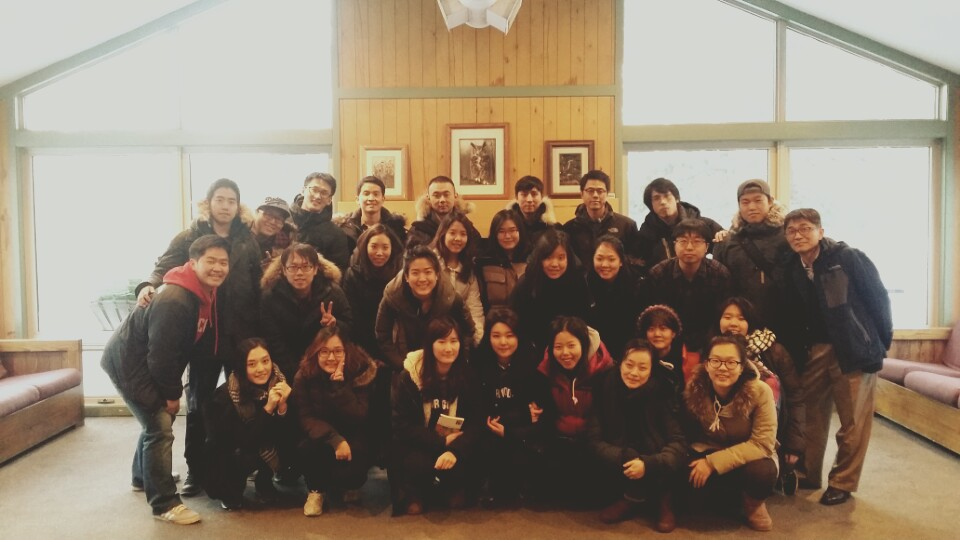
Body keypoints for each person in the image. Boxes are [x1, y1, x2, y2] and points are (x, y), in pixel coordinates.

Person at [134, 178, 262, 498]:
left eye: (231, 200)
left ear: (238, 206)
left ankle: (240, 465)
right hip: (202, 336)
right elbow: (163, 266)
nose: (225, 206)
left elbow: (257, 283)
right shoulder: (190, 236)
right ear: (209, 202)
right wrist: (148, 285)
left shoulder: (247, 239)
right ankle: (196, 468)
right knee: (198, 405)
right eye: (220, 199)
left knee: (243, 401)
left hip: (239, 336)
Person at [101, 234, 230, 525]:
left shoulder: (202, 292)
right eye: (211, 261)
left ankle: (142, 477)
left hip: (142, 362)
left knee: (154, 422)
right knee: (159, 425)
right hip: (130, 365)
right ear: (193, 263)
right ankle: (164, 504)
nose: (218, 268)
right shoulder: (176, 299)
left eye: (223, 262)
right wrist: (172, 395)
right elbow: (161, 356)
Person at [780, 208, 892, 506]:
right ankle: (807, 473)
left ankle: (842, 481)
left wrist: (879, 344)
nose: (798, 235)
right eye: (791, 231)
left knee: (853, 421)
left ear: (821, 231)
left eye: (805, 228)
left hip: (853, 349)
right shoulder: (792, 266)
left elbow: (879, 299)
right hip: (815, 349)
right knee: (810, 415)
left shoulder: (847, 258)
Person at [588, 339, 687, 531]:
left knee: (669, 457)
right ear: (620, 364)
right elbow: (593, 439)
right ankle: (633, 497)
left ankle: (664, 499)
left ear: (652, 370)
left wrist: (648, 464)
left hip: (656, 459)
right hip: (623, 456)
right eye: (629, 365)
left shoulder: (663, 392)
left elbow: (679, 443)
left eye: (642, 368)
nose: (634, 373)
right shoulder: (605, 386)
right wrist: (622, 456)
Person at [683, 335, 778, 532]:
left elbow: (762, 444)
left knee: (762, 473)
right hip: (709, 447)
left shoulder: (760, 391)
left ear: (742, 367)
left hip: (750, 456)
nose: (722, 368)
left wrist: (712, 462)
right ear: (706, 364)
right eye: (716, 361)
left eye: (731, 362)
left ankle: (753, 505)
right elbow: (689, 433)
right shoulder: (695, 388)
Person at [390, 317, 482, 515]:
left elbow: (476, 423)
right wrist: (441, 441)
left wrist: (454, 450)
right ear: (429, 344)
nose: (448, 348)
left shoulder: (468, 375)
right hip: (419, 445)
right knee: (417, 465)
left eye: (454, 341)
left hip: (454, 445)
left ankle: (450, 489)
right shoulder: (410, 376)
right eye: (441, 341)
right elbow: (401, 425)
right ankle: (416, 494)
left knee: (463, 469)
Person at [714, 296, 805, 495]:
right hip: (726, 433)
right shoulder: (712, 350)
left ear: (751, 322)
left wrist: (794, 444)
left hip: (770, 433)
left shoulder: (774, 352)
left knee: (761, 473)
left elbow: (795, 398)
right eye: (727, 317)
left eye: (741, 318)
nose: (733, 323)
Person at [294, 326, 387, 516]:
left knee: (354, 472)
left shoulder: (360, 371)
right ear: (315, 353)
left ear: (346, 351)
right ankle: (316, 491)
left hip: (353, 433)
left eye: (337, 351)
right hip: (321, 436)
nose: (331, 357)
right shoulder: (304, 376)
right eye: (324, 351)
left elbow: (360, 415)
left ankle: (348, 486)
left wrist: (339, 389)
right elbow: (306, 418)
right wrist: (335, 439)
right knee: (305, 448)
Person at [472, 307, 550, 508]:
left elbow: (540, 417)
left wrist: (510, 428)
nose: (503, 342)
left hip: (520, 435)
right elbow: (481, 411)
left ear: (519, 336)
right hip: (489, 432)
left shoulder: (532, 364)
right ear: (488, 337)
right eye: (496, 335)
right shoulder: (478, 363)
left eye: (510, 335)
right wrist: (522, 413)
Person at [202, 338, 291, 511]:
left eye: (265, 361)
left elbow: (285, 434)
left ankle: (264, 483)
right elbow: (244, 442)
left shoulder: (279, 384)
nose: (261, 369)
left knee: (291, 442)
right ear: (242, 367)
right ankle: (229, 493)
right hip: (230, 452)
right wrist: (268, 409)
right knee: (240, 457)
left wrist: (283, 407)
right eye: (252, 364)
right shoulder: (225, 397)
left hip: (260, 445)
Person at [534, 316, 613, 508]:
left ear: (583, 344)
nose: (565, 353)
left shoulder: (604, 371)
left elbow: (605, 417)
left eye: (571, 345)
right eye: (558, 347)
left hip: (593, 440)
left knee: (592, 497)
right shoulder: (546, 370)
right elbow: (546, 411)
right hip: (559, 438)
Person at [260, 243, 353, 380]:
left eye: (305, 267)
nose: (299, 273)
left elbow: (349, 326)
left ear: (315, 269)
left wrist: (334, 324)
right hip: (287, 368)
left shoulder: (333, 292)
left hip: (325, 364)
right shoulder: (271, 297)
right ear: (284, 270)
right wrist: (296, 375)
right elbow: (274, 341)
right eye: (293, 267)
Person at [375, 245, 476, 371]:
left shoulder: (451, 298)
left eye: (428, 272)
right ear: (406, 276)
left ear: (437, 274)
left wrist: (454, 361)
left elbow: (469, 331)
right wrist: (403, 365)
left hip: (444, 366)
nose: (422, 279)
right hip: (407, 364)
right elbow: (382, 335)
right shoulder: (393, 296)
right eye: (415, 273)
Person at [712, 180, 792, 332]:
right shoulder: (727, 242)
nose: (752, 207)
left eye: (758, 200)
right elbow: (721, 290)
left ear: (770, 201)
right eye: (745, 202)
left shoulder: (789, 236)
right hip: (742, 324)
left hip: (785, 320)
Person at [646, 218, 731, 354]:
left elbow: (720, 316)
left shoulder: (720, 274)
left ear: (707, 247)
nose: (689, 247)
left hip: (710, 343)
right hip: (668, 343)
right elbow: (655, 316)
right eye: (683, 241)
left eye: (697, 242)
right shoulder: (658, 274)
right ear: (674, 245)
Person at [510, 229, 593, 353]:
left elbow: (585, 321)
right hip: (533, 350)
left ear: (568, 258)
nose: (555, 264)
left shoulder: (577, 281)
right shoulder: (527, 283)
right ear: (539, 259)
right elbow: (516, 323)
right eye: (548, 257)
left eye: (561, 258)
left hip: (569, 349)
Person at [341, 224, 404, 360]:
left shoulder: (400, 276)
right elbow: (353, 317)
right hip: (362, 344)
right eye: (374, 246)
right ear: (365, 247)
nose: (379, 253)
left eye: (385, 247)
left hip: (393, 344)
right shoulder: (353, 274)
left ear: (392, 249)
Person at [562, 170, 642, 273]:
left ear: (607, 193)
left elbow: (636, 261)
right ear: (582, 194)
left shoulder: (627, 225)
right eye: (590, 190)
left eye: (600, 191)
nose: (595, 195)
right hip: (581, 282)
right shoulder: (569, 228)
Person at [636, 177, 723, 272]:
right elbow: (639, 263)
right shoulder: (646, 232)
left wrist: (723, 235)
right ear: (651, 205)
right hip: (661, 279)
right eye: (656, 198)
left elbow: (723, 244)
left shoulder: (702, 224)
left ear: (677, 199)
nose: (663, 202)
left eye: (667, 196)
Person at [586, 235, 647, 360]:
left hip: (630, 349)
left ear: (621, 262)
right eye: (599, 258)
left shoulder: (637, 284)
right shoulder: (586, 282)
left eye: (611, 259)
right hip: (596, 349)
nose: (605, 264)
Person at [432, 214, 484, 343]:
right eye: (452, 233)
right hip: (432, 333)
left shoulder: (468, 267)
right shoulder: (431, 262)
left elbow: (474, 306)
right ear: (443, 234)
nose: (458, 238)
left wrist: (477, 337)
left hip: (459, 334)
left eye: (463, 234)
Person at [289, 172, 351, 271]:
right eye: (314, 190)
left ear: (329, 200)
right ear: (303, 190)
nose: (318, 196)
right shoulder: (284, 221)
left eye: (324, 193)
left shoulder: (336, 234)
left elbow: (339, 272)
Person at [334, 176, 407, 253]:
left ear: (383, 199)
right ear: (357, 199)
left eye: (376, 194)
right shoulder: (345, 228)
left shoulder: (396, 227)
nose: (371, 198)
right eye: (366, 194)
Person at [406, 175, 481, 248]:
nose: (442, 200)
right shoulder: (418, 229)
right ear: (428, 198)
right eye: (436, 195)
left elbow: (476, 250)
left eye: (446, 195)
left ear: (455, 196)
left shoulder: (466, 226)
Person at [475, 209, 529, 309]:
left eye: (512, 230)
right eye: (501, 231)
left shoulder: (531, 260)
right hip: (495, 317)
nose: (507, 236)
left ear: (520, 231)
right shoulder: (484, 262)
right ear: (494, 234)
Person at [636, 304, 692, 396]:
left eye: (663, 328)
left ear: (673, 333)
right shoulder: (636, 359)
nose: (657, 334)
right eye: (651, 329)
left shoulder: (688, 362)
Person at [508, 175, 561, 247]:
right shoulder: (507, 226)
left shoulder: (554, 228)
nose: (529, 200)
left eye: (534, 194)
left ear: (542, 197)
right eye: (524, 195)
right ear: (516, 198)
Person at [250, 196, 296, 270]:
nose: (273, 222)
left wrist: (272, 270)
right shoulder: (238, 234)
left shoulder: (285, 246)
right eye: (269, 215)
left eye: (279, 219)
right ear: (256, 212)